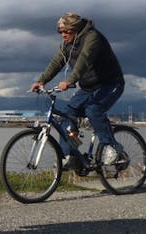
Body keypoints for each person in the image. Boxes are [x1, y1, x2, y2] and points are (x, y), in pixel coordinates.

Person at [29, 12, 125, 172]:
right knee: (67, 115)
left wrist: (70, 81)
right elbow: (57, 62)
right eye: (60, 32)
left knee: (93, 110)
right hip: (88, 88)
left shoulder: (92, 38)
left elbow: (84, 60)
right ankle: (71, 155)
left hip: (110, 84)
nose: (63, 35)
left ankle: (112, 148)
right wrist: (42, 81)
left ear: (76, 29)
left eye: (66, 31)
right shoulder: (67, 45)